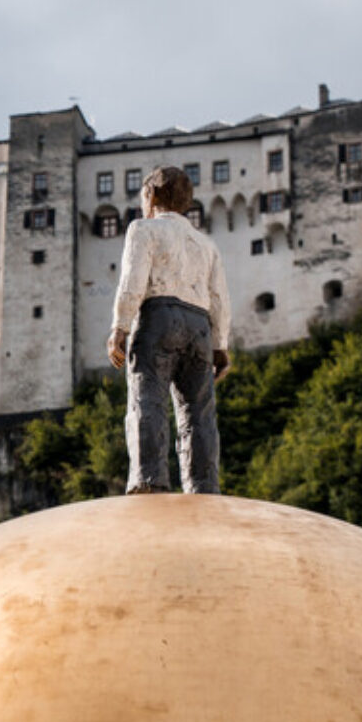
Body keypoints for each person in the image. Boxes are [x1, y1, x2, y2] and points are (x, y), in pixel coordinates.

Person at [107, 165, 231, 494]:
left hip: (158, 316)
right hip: (200, 325)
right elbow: (219, 297)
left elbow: (133, 280)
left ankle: (149, 480)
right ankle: (204, 487)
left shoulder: (143, 229)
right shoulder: (207, 245)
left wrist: (119, 326)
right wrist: (221, 344)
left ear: (152, 195)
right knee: (199, 412)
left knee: (148, 398)